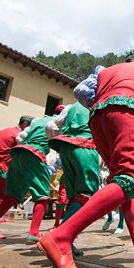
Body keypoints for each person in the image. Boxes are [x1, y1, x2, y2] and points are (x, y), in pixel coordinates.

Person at [37, 49, 134, 268]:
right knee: (129, 180)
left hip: (97, 119)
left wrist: (103, 103)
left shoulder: (103, 71)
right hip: (126, 113)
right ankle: (61, 237)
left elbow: (80, 91)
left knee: (126, 185)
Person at [0, 115, 55, 243]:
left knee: (11, 196)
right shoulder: (61, 120)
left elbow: (21, 137)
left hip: (18, 153)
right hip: (34, 153)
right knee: (42, 195)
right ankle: (34, 233)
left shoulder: (37, 122)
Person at [46, 102, 101, 255]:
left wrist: (60, 141)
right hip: (86, 148)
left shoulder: (71, 106)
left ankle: (68, 243)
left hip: (66, 149)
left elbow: (50, 126)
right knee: (87, 193)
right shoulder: (100, 104)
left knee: (74, 197)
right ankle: (59, 237)